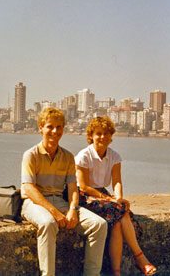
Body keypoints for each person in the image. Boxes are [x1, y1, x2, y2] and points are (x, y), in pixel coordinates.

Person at [21, 108, 108, 276]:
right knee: (48, 223)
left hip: (60, 202)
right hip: (34, 203)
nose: (55, 131)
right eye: (50, 127)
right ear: (41, 128)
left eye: (59, 127)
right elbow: (29, 189)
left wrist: (73, 210)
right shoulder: (31, 155)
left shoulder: (68, 157)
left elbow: (73, 189)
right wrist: (54, 212)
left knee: (99, 225)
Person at [75, 117, 157, 276]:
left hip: (103, 195)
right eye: (98, 133)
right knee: (119, 212)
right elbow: (84, 186)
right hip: (85, 196)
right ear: (91, 135)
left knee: (118, 220)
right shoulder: (84, 156)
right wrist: (110, 199)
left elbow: (117, 182)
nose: (102, 137)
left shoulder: (114, 157)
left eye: (106, 134)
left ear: (111, 136)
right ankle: (140, 258)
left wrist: (117, 198)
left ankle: (116, 272)